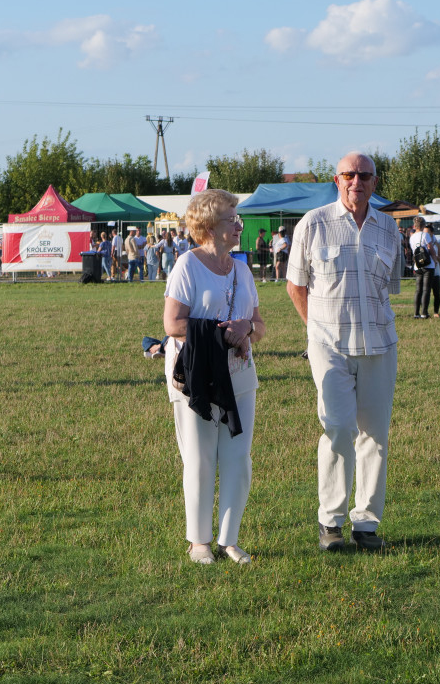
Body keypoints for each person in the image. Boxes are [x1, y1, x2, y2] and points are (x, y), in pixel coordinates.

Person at [287, 152, 400, 552]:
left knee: (375, 436)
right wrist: (315, 331)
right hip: (329, 345)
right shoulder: (313, 224)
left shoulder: (389, 229)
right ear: (336, 180)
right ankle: (330, 522)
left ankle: (366, 524)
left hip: (379, 346)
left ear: (375, 181)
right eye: (349, 175)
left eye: (364, 175)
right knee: (337, 427)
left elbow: (391, 288)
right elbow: (296, 287)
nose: (357, 181)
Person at [163, 189, 265, 565]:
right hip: (198, 375)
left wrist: (247, 329)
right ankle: (199, 542)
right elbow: (172, 323)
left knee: (239, 457)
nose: (239, 226)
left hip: (240, 374)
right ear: (208, 226)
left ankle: (230, 540)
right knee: (200, 458)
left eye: (238, 219)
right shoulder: (187, 266)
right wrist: (221, 333)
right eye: (231, 219)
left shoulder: (241, 268)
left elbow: (259, 324)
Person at [409, 215, 436, 319]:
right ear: (423, 225)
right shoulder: (425, 235)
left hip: (418, 265)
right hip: (428, 265)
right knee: (426, 290)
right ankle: (424, 313)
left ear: (415, 225)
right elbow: (430, 248)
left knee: (418, 290)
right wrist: (434, 259)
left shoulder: (412, 237)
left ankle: (416, 313)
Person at [425, 224, 440, 319]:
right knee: (425, 292)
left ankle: (436, 311)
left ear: (432, 233)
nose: (426, 234)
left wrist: (435, 258)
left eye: (427, 232)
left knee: (436, 293)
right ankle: (425, 311)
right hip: (426, 270)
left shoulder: (436, 243)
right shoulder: (423, 241)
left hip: (436, 272)